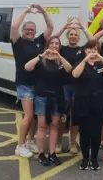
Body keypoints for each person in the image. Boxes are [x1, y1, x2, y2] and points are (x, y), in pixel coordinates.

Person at [11, 4, 54, 158]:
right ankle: (20, 146)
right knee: (28, 116)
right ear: (23, 31)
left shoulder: (39, 41)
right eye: (27, 29)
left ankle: (30, 141)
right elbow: (14, 26)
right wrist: (26, 11)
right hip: (24, 84)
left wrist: (43, 11)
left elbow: (50, 26)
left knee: (35, 117)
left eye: (32, 30)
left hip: (37, 84)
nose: (29, 32)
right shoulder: (17, 42)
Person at [24, 36, 72, 166]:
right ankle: (41, 153)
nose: (55, 46)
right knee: (42, 126)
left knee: (55, 126)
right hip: (42, 97)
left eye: (57, 44)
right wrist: (42, 55)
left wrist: (59, 57)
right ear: (48, 45)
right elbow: (27, 67)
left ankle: (52, 153)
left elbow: (69, 69)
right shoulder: (41, 59)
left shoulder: (61, 61)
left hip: (57, 97)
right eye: (52, 43)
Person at [72, 40, 103, 170]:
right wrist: (85, 59)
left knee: (96, 133)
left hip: (98, 103)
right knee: (84, 132)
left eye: (95, 49)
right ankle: (85, 159)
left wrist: (101, 57)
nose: (92, 52)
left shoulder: (101, 64)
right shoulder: (80, 63)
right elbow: (75, 74)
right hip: (83, 102)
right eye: (89, 49)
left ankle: (94, 159)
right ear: (85, 50)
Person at [53, 17, 93, 154]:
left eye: (76, 35)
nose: (73, 36)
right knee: (63, 116)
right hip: (63, 86)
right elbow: (52, 39)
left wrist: (82, 28)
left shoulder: (82, 50)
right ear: (67, 36)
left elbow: (92, 41)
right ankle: (58, 142)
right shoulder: (61, 49)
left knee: (75, 117)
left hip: (78, 86)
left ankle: (72, 143)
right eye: (71, 34)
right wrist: (65, 27)